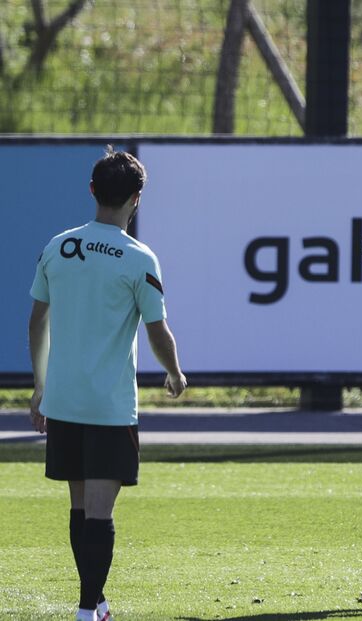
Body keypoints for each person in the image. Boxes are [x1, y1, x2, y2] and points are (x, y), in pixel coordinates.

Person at [28, 148, 187, 621]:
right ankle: (84, 610)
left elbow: (38, 322)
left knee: (80, 507)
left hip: (64, 399)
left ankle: (95, 604)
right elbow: (157, 330)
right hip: (109, 405)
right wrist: (175, 372)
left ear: (93, 190)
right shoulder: (139, 258)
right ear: (136, 199)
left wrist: (39, 386)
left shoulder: (58, 246)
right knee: (99, 511)